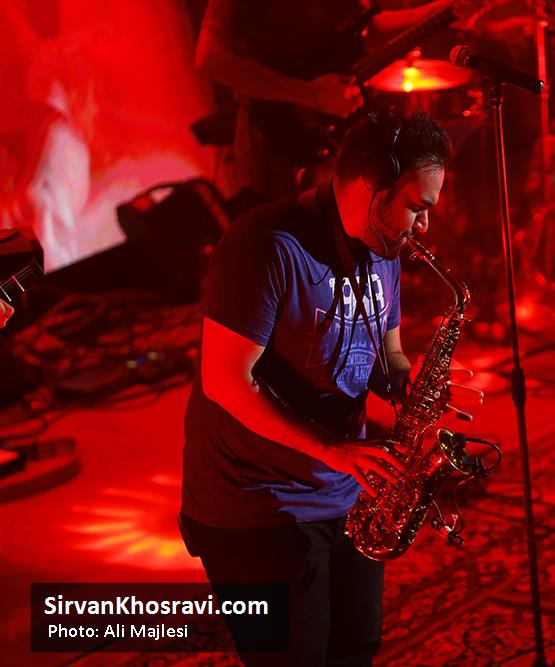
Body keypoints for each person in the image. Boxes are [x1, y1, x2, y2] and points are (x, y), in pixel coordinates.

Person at [180, 111, 452, 666]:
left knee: (357, 647)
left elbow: (387, 356)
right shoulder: (266, 244)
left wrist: (411, 382)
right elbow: (225, 382)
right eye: (417, 207)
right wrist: (331, 449)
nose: (424, 225)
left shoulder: (383, 244)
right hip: (255, 504)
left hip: (343, 488)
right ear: (374, 183)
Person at [195, 0, 480, 199]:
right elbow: (210, 59)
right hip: (272, 143)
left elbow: (366, 31)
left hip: (328, 143)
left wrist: (445, 10)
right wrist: (309, 94)